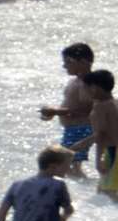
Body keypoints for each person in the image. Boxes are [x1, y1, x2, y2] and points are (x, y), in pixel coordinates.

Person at [67, 71, 118, 203]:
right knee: (102, 192)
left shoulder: (100, 107)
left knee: (109, 193)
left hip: (115, 153)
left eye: (85, 88)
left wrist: (96, 158)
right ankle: (116, 219)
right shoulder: (114, 102)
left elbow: (100, 136)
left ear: (94, 88)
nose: (83, 92)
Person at [39, 43, 95, 179]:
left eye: (68, 62)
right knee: (68, 165)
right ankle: (88, 189)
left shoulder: (88, 83)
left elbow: (84, 109)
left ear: (84, 62)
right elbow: (72, 106)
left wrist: (55, 111)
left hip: (81, 129)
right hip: (73, 129)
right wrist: (53, 114)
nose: (64, 66)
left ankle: (90, 190)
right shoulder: (74, 81)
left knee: (69, 165)